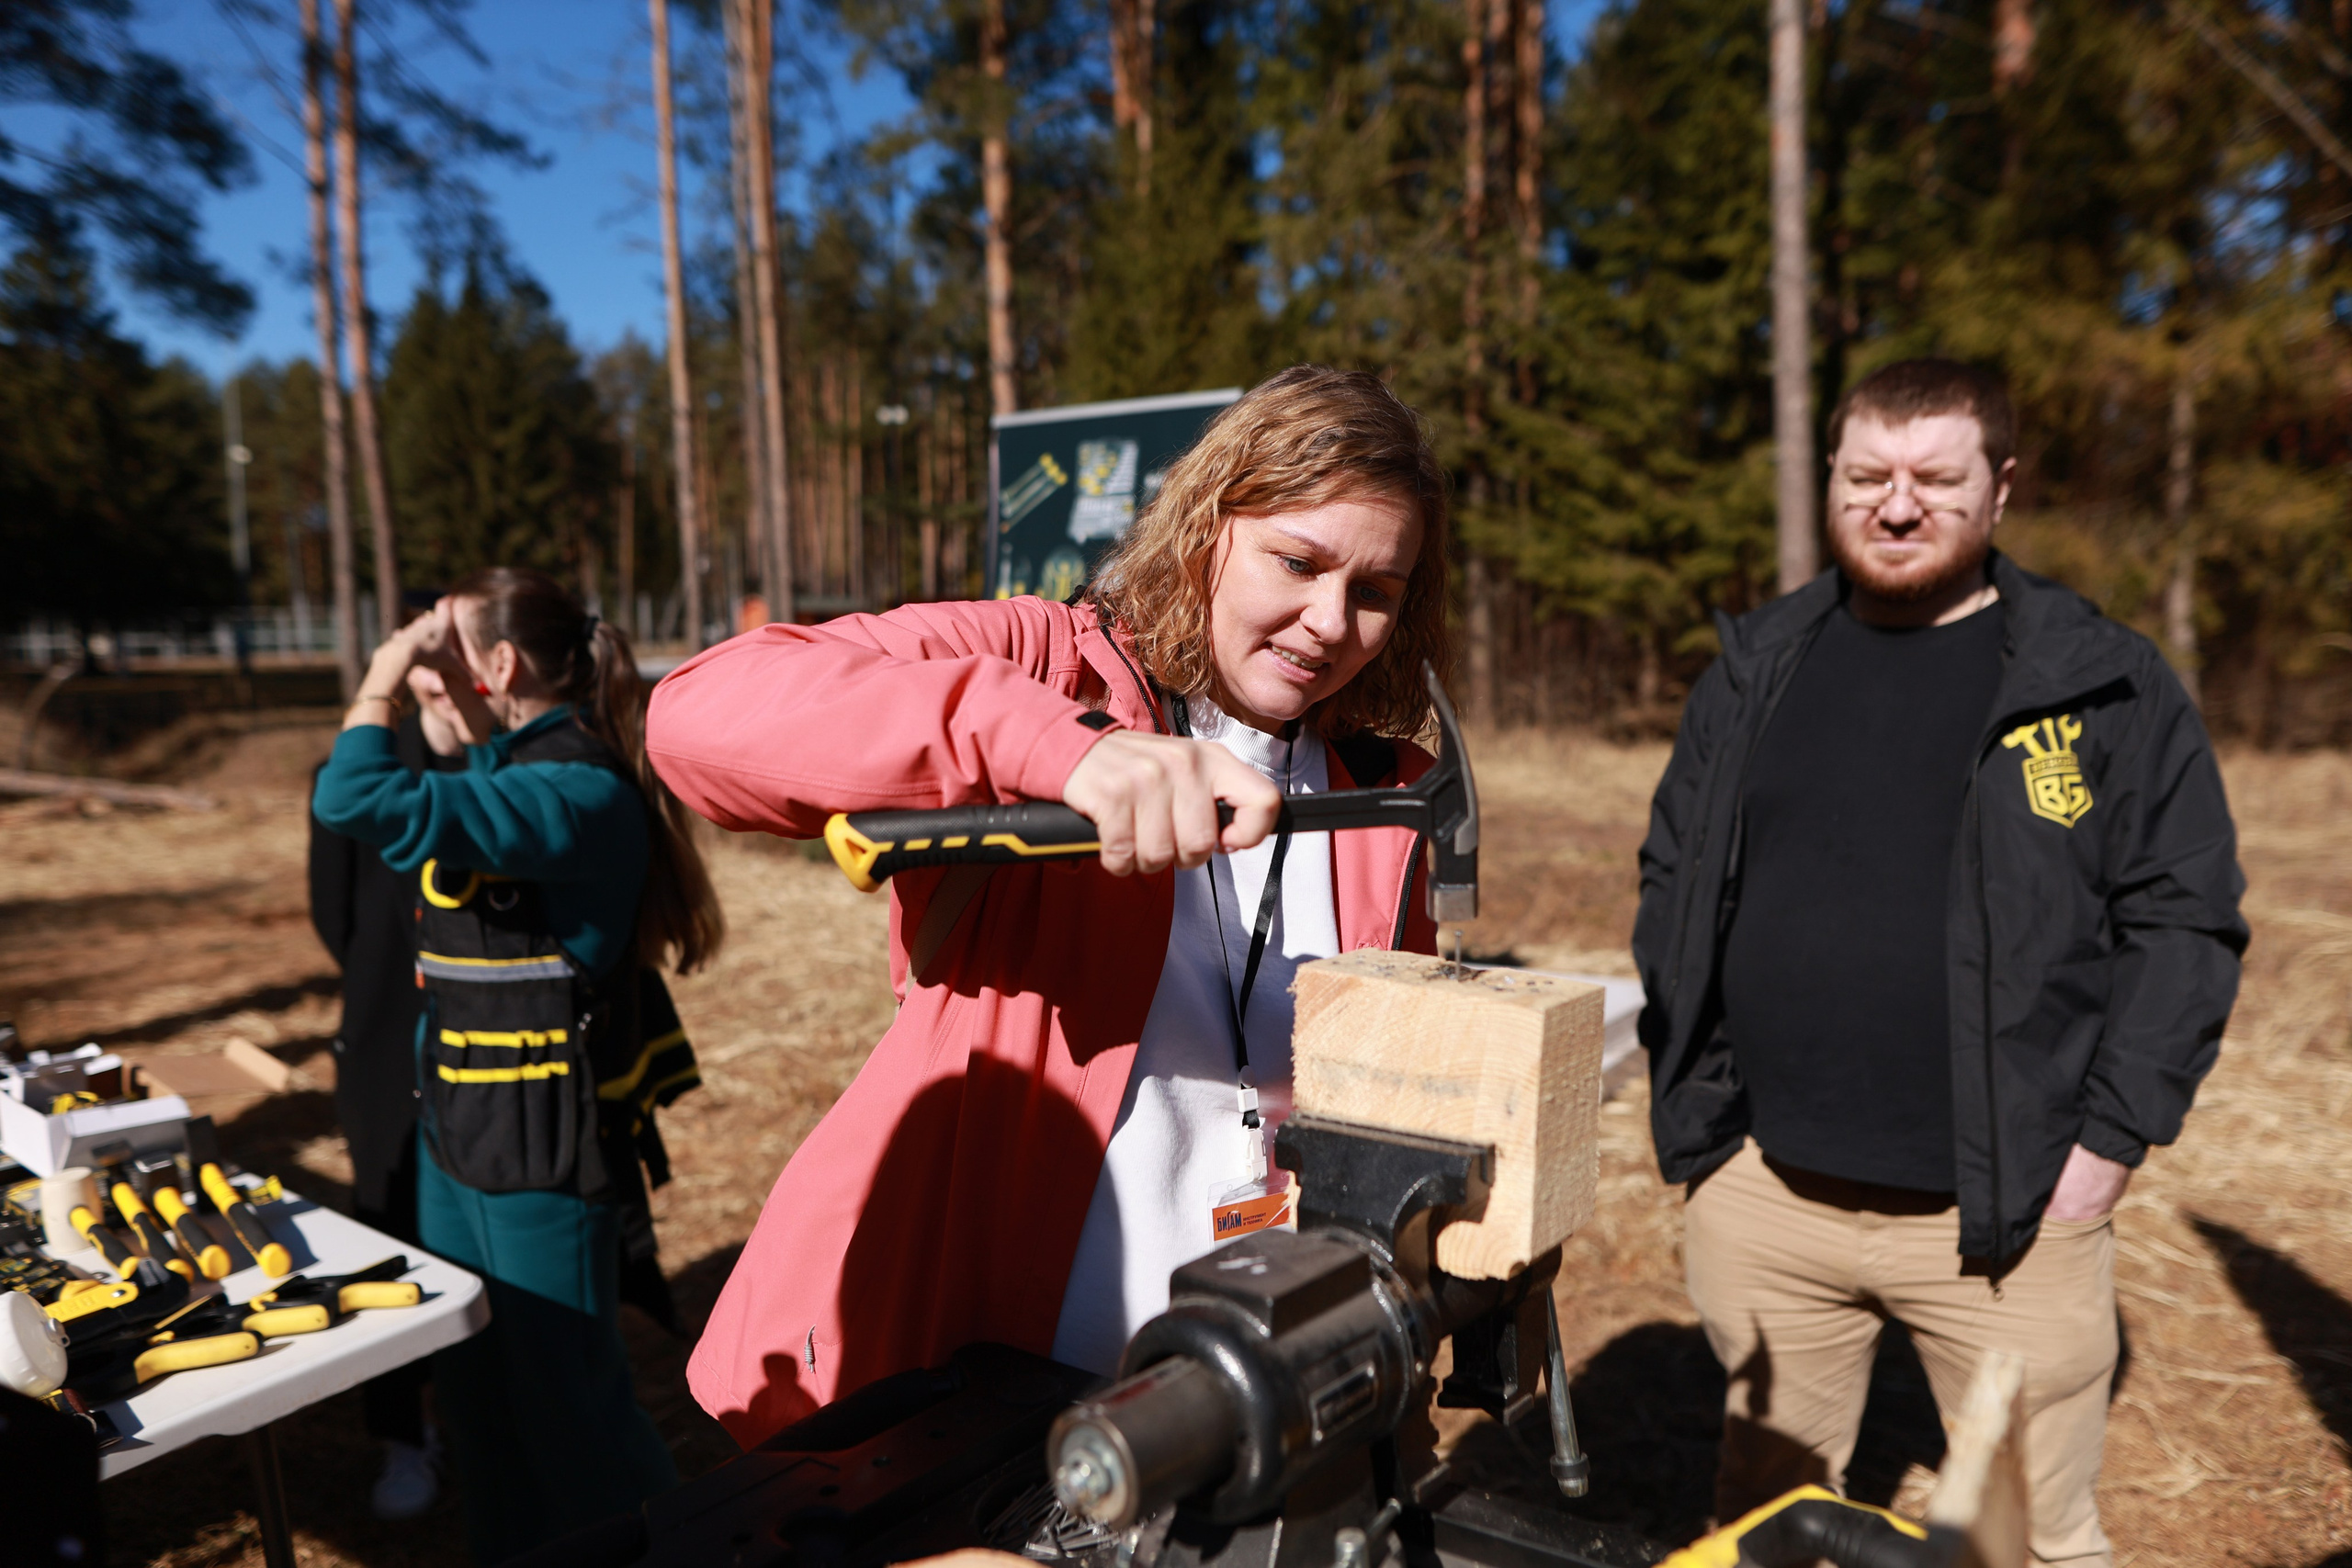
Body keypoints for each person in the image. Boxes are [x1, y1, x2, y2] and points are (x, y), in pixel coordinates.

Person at [648, 366, 1453, 1447]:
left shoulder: (1380, 797)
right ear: (1207, 529)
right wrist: (1060, 749)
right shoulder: (1049, 665)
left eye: (1375, 592)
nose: (1328, 622)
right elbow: (701, 715)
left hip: (1230, 1393)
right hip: (981, 1382)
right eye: (1297, 563)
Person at [1633, 359, 2247, 1568]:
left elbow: (2184, 921)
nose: (1898, 504)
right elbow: (1674, 874)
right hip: (1767, 1194)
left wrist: (2105, 1148)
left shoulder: (2101, 680)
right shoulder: (1757, 664)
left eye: (1936, 478)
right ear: (1831, 477)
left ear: (2000, 487)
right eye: (1868, 475)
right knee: (1761, 1520)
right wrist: (1712, 1132)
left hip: (2010, 1218)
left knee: (2029, 1538)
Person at [311, 568, 721, 1564]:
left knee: (570, 1409)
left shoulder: (575, 790)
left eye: (440, 641)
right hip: (459, 1131)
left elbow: (352, 794)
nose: (423, 655)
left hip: (541, 1150)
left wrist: (382, 672)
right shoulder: (519, 772)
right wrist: (457, 716)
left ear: (499, 663)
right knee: (477, 1397)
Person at [307, 703, 458, 1518]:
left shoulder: (511, 765)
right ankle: (404, 1431)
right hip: (385, 1032)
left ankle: (481, 1411)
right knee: (389, 1228)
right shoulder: (356, 772)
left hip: (492, 1050)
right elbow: (335, 914)